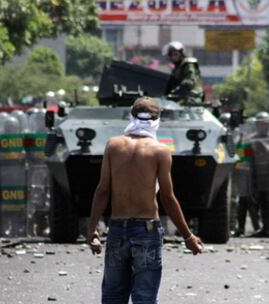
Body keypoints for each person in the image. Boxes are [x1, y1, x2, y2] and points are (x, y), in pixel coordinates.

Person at [87, 96, 203, 304]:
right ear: (157, 121)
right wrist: (188, 236)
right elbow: (167, 198)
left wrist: (92, 230)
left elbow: (102, 190)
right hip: (147, 231)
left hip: (117, 230)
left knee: (113, 296)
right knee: (145, 298)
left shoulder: (113, 146)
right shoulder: (160, 152)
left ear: (131, 117)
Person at [163, 41, 204, 106]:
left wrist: (173, 93)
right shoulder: (176, 68)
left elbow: (188, 82)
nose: (173, 57)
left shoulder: (188, 64)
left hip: (192, 98)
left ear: (181, 54)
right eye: (171, 55)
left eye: (175, 54)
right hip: (182, 98)